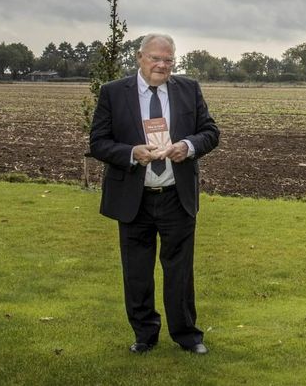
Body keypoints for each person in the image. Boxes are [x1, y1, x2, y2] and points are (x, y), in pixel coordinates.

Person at [89, 33, 219, 355]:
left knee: (180, 271)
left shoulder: (189, 89)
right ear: (139, 57)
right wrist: (133, 152)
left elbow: (210, 132)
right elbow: (98, 142)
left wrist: (186, 147)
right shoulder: (113, 93)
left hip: (177, 195)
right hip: (135, 198)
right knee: (137, 273)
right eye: (155, 58)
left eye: (168, 60)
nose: (162, 65)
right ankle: (144, 335)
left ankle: (188, 336)